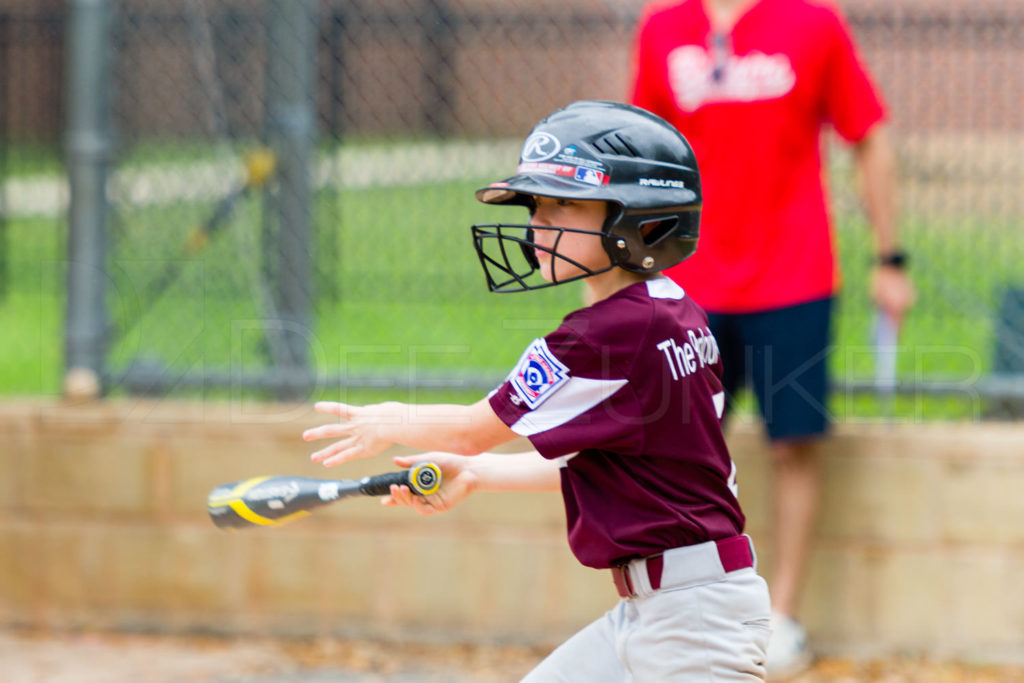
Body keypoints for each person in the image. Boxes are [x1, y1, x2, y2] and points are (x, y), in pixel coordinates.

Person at [303, 100, 772, 681]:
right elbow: (615, 464)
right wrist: (479, 476)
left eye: (561, 204)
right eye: (536, 206)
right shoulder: (672, 310)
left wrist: (391, 421)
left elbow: (474, 430)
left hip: (692, 623)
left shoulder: (608, 333)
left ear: (635, 217)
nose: (536, 224)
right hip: (666, 607)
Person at [629, 0, 916, 677]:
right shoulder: (663, 28)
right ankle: (689, 612)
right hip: (690, 280)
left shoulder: (813, 24)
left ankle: (778, 617)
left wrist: (890, 256)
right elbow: (638, 149)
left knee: (794, 448)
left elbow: (868, 134)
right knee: (679, 453)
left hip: (795, 276)